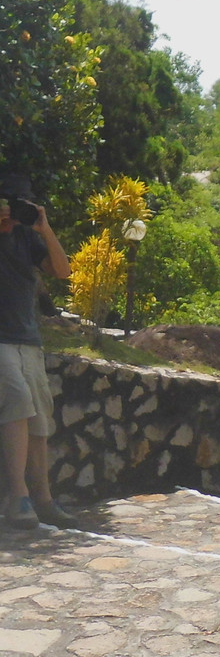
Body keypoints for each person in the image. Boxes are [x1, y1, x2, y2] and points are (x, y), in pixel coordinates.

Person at [0, 172, 74, 528]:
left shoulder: (29, 237)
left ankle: (43, 498)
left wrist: (45, 229)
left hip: (28, 338)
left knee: (40, 416)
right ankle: (18, 497)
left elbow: (63, 271)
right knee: (17, 399)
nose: (16, 211)